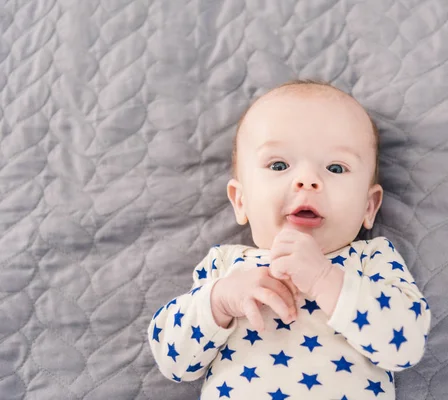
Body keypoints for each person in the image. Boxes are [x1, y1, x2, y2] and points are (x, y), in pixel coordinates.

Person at [147, 80, 431, 399]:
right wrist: (220, 300)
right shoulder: (227, 266)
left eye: (336, 167)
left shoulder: (370, 260)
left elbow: (406, 344)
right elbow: (173, 361)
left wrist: (325, 279)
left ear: (369, 207)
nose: (307, 180)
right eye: (279, 165)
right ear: (240, 201)